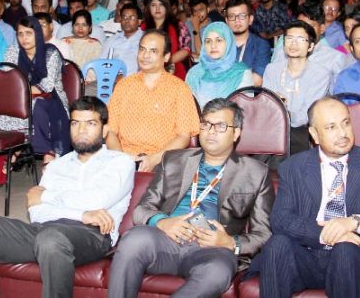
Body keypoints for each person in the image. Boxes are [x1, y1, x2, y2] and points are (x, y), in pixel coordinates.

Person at [0, 96, 135, 298]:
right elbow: (36, 210)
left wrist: (48, 196)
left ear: (104, 130)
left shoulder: (120, 162)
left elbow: (98, 200)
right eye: (75, 123)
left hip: (93, 235)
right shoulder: (56, 166)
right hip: (44, 229)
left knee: (51, 239)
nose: (81, 130)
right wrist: (83, 214)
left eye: (91, 124)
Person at [108, 98, 273, 298]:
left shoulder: (256, 173)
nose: (211, 131)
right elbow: (142, 209)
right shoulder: (173, 160)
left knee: (217, 271)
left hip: (211, 249)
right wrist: (163, 222)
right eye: (206, 124)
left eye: (220, 126)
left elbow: (263, 234)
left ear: (236, 133)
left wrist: (231, 242)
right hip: (165, 241)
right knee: (133, 240)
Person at [251, 96, 360, 297]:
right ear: (315, 134)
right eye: (331, 127)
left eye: (345, 123)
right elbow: (281, 220)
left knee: (345, 249)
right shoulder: (294, 168)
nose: (342, 133)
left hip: (357, 258)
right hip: (309, 254)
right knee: (277, 245)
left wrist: (353, 223)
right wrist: (326, 235)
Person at [106, 30, 200, 172]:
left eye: (153, 51)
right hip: (123, 159)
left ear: (166, 56)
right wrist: (122, 160)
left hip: (163, 161)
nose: (145, 55)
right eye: (142, 49)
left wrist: (154, 159)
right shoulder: (124, 85)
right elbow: (110, 132)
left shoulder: (179, 88)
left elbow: (183, 136)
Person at [0, 16, 70, 155]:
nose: (24, 38)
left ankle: (48, 152)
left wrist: (18, 92)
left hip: (52, 98)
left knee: (37, 104)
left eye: (29, 33)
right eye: (20, 34)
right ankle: (13, 147)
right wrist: (16, 93)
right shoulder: (13, 52)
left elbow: (46, 87)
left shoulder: (50, 53)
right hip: (20, 98)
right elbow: (9, 81)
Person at [263, 21, 334, 153]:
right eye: (289, 38)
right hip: (273, 127)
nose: (293, 43)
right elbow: (266, 106)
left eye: (300, 39)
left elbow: (306, 116)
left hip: (302, 131)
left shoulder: (320, 74)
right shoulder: (271, 70)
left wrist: (282, 110)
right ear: (283, 44)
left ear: (311, 46)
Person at [186, 22, 253, 107]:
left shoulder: (241, 73)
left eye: (219, 40)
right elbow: (187, 108)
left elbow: (246, 111)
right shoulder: (194, 73)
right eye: (208, 41)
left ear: (228, 42)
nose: (213, 46)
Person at [142, 0, 191, 80]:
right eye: (153, 5)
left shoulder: (178, 25)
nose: (157, 8)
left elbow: (186, 49)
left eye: (161, 5)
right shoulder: (143, 27)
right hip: (148, 68)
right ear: (149, 8)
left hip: (174, 69)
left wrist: (167, 60)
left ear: (167, 7)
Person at [226, 0, 271, 85]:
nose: (237, 20)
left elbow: (257, 80)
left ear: (250, 19)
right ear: (227, 21)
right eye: (232, 16)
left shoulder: (261, 45)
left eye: (242, 16)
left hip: (248, 96)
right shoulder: (219, 44)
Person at [99, 2, 144, 75]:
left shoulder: (145, 39)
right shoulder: (112, 40)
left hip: (135, 81)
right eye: (124, 17)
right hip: (111, 80)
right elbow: (102, 62)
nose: (127, 21)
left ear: (139, 21)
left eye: (131, 17)